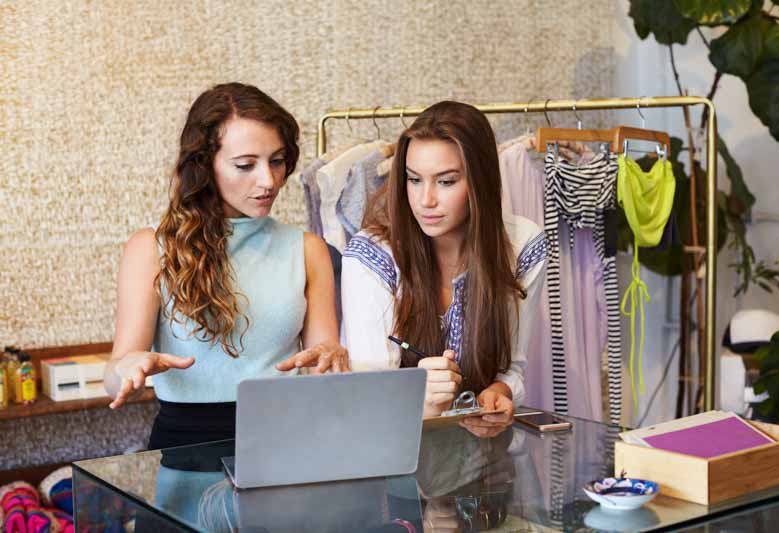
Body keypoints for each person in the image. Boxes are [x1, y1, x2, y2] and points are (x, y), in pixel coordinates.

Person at [104, 82, 348, 449]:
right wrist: (124, 369)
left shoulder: (308, 249)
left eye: (277, 161)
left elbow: (321, 359)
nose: (269, 180)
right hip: (185, 443)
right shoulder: (151, 248)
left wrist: (333, 355)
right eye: (246, 165)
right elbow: (114, 372)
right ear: (204, 166)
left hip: (287, 439)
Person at [341, 101, 547, 438]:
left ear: (480, 182)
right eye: (413, 179)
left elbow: (512, 367)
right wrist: (418, 399)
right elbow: (367, 392)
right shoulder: (372, 255)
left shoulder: (524, 246)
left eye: (446, 181)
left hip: (484, 465)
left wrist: (499, 393)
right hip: (391, 453)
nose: (426, 200)